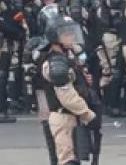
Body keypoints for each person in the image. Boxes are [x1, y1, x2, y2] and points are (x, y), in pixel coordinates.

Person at [37, 9, 100, 165]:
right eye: (67, 34)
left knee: (81, 159)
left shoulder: (67, 58)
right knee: (67, 160)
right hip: (64, 117)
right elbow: (67, 97)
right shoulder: (56, 63)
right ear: (55, 37)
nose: (72, 37)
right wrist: (88, 115)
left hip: (74, 116)